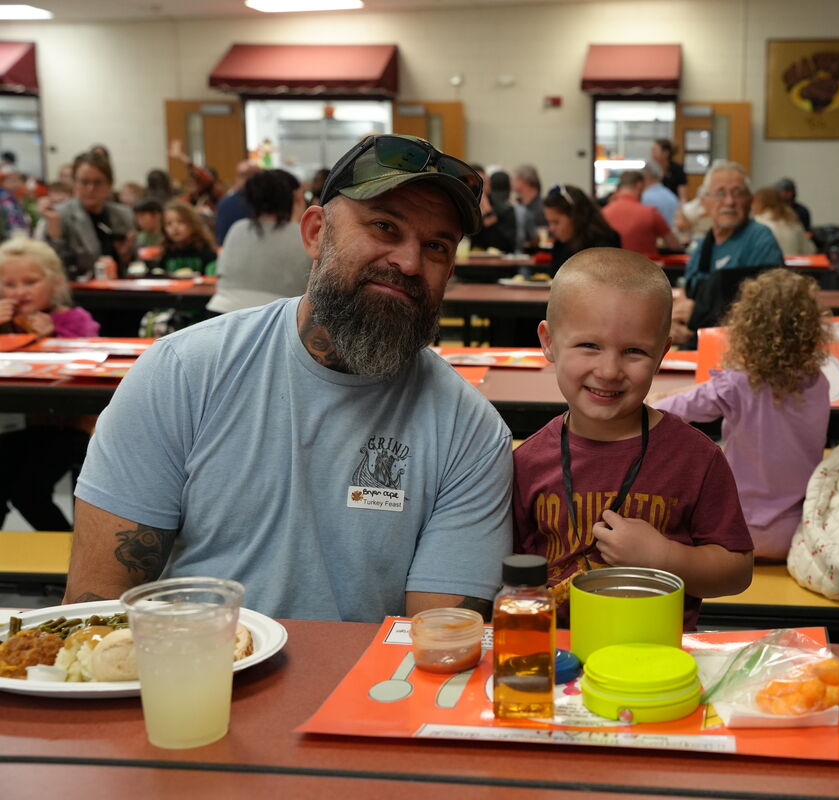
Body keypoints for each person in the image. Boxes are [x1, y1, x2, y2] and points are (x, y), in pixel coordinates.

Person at [65, 133, 513, 622]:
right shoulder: (181, 375)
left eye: (436, 246)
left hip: (366, 696)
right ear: (316, 232)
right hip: (197, 683)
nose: (408, 261)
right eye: (384, 226)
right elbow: (98, 605)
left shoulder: (470, 432)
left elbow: (440, 644)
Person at [513, 247, 754, 630]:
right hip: (553, 657)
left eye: (634, 352)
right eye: (589, 345)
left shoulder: (698, 459)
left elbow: (738, 572)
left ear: (661, 355)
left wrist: (665, 557)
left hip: (657, 655)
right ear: (549, 342)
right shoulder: (524, 462)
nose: (609, 371)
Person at [653, 269, 830, 562]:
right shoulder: (818, 383)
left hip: (735, 534)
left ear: (747, 326)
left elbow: (672, 409)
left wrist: (656, 398)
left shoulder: (737, 384)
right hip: (796, 533)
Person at [0, 237, 99, 531]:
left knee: (28, 492)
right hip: (17, 425)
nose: (20, 292)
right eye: (9, 284)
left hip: (68, 426)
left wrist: (55, 335)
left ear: (54, 283)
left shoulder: (75, 320)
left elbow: (91, 358)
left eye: (30, 282)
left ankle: (71, 561)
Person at [208, 169, 311, 313]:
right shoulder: (304, 236)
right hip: (275, 319)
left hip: (221, 314)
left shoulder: (238, 229)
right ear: (295, 199)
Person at [682, 162, 782, 295]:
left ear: (750, 200)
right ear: (705, 202)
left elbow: (765, 300)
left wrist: (698, 311)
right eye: (720, 193)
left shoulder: (760, 238)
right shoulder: (703, 245)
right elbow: (690, 288)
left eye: (738, 193)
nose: (729, 201)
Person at [38, 151, 135, 281]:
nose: (90, 188)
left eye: (98, 182)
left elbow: (135, 261)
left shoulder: (124, 214)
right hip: (77, 292)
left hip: (120, 289)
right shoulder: (57, 215)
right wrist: (54, 234)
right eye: (84, 182)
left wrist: (127, 255)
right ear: (74, 183)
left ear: (109, 184)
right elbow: (49, 265)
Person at [601, 170, 681, 258]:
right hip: (645, 268)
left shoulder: (603, 213)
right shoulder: (650, 213)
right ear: (639, 185)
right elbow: (674, 244)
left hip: (611, 267)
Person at [543, 184, 621, 272]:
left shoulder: (604, 244)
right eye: (549, 222)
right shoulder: (561, 244)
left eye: (556, 222)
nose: (551, 228)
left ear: (576, 217)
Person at [160, 199, 218, 276]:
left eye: (181, 222)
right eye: (169, 224)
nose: (175, 227)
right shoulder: (164, 253)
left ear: (193, 224)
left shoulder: (206, 252)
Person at [752, 187, 816, 255]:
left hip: (768, 265)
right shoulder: (794, 223)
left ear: (758, 203)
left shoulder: (756, 225)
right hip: (794, 264)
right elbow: (810, 250)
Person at [214, 159, 261, 245]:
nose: (249, 179)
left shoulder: (267, 202)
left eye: (254, 175)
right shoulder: (226, 204)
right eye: (243, 175)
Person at [471, 168, 517, 253]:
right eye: (473, 184)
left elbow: (506, 246)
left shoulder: (505, 210)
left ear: (489, 185)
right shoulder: (459, 208)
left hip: (496, 263)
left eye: (482, 183)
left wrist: (488, 212)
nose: (479, 189)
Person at [512, 163, 546, 252]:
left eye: (514, 179)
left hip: (538, 252)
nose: (511, 182)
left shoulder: (543, 207)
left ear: (524, 181)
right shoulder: (514, 204)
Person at [640, 162, 679, 240]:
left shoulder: (644, 198)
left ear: (645, 177)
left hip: (653, 242)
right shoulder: (672, 196)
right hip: (672, 240)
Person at [651, 138, 688, 202]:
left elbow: (683, 196)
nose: (652, 153)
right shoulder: (650, 169)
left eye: (655, 150)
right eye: (652, 150)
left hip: (673, 205)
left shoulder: (677, 169)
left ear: (666, 153)